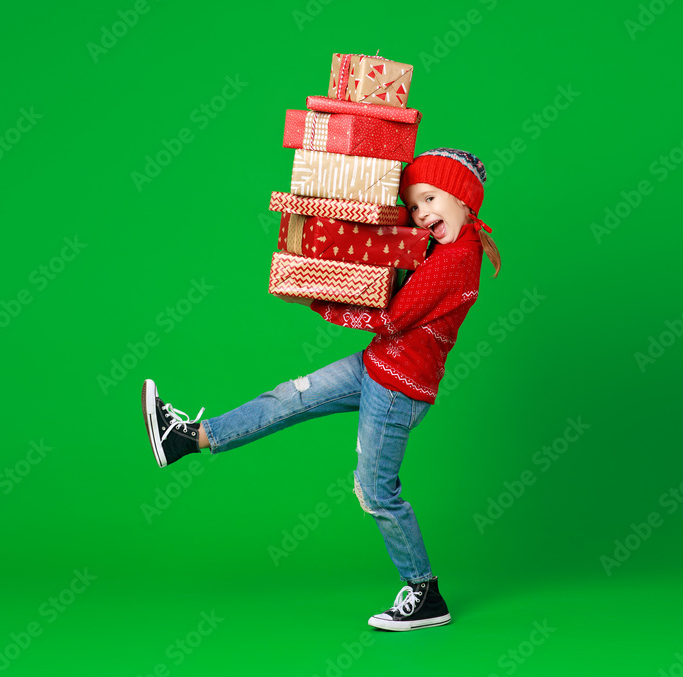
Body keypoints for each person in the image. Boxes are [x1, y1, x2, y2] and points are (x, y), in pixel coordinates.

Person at [141, 148, 501, 631]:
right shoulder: (437, 244)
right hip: (376, 365)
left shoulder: (457, 258)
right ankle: (188, 439)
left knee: (375, 491)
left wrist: (318, 295)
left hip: (398, 386)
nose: (421, 215)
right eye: (414, 206)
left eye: (430, 199)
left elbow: (393, 317)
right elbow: (389, 270)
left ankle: (425, 592)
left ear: (463, 199)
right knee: (292, 396)